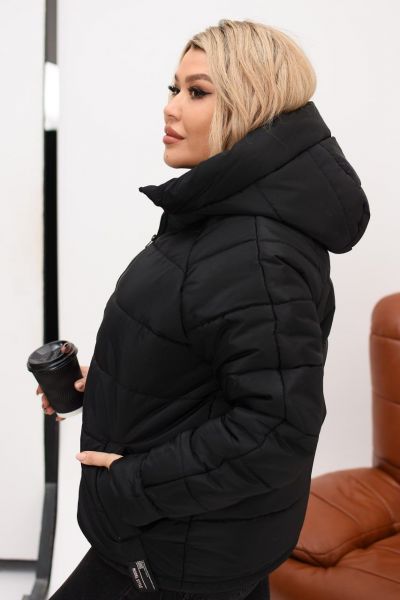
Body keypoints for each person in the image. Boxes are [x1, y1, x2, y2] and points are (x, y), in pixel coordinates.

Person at [39, 18, 370, 600]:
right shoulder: (221, 220)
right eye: (174, 88)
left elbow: (275, 430)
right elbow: (212, 363)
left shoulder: (257, 253)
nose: (171, 107)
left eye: (197, 92)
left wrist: (131, 485)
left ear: (251, 104)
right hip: (190, 536)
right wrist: (112, 383)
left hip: (176, 552)